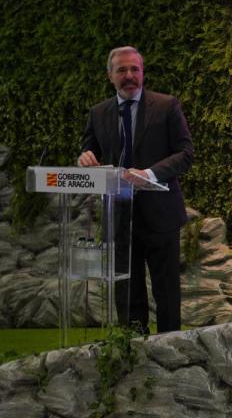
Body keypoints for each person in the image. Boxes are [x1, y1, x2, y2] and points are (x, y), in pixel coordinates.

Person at [78, 46, 193, 333]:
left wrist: (150, 174)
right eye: (122, 70)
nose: (129, 76)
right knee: (127, 293)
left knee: (166, 293)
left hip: (161, 217)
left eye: (134, 69)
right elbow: (89, 147)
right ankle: (132, 353)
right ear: (110, 76)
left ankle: (171, 351)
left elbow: (185, 153)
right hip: (119, 216)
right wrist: (84, 157)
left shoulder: (167, 106)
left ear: (142, 73)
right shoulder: (99, 113)